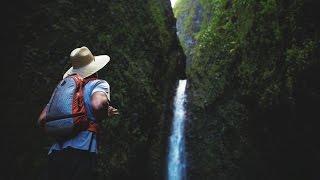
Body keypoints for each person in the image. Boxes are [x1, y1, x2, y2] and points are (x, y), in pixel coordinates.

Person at [43, 46, 118, 180]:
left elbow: (42, 119)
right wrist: (106, 109)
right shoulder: (98, 84)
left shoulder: (61, 90)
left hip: (55, 151)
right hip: (81, 150)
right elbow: (98, 104)